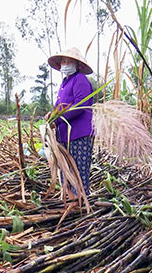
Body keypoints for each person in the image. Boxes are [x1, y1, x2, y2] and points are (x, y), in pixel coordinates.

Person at [46, 47, 94, 196]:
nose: (66, 64)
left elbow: (80, 106)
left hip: (79, 136)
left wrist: (58, 118)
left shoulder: (80, 80)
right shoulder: (65, 83)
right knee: (66, 171)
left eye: (69, 61)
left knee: (78, 172)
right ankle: (69, 202)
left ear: (78, 65)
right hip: (65, 136)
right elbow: (61, 107)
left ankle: (79, 205)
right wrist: (52, 116)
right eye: (64, 61)